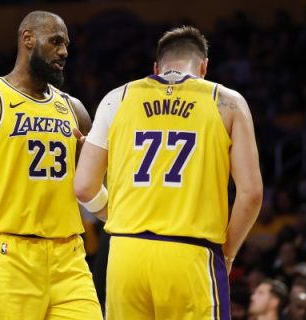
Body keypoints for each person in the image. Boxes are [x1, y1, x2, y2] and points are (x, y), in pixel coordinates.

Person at [74, 26, 263, 319]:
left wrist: (119, 215)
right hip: (191, 254)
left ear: (156, 68)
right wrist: (226, 254)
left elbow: (84, 187)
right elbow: (251, 195)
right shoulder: (227, 101)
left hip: (126, 254)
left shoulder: (117, 98)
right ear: (204, 67)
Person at [0, 10, 102, 320]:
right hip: (8, 255)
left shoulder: (75, 110)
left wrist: (121, 215)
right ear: (27, 39)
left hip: (69, 256)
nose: (64, 51)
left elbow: (91, 190)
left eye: (66, 44)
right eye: (55, 42)